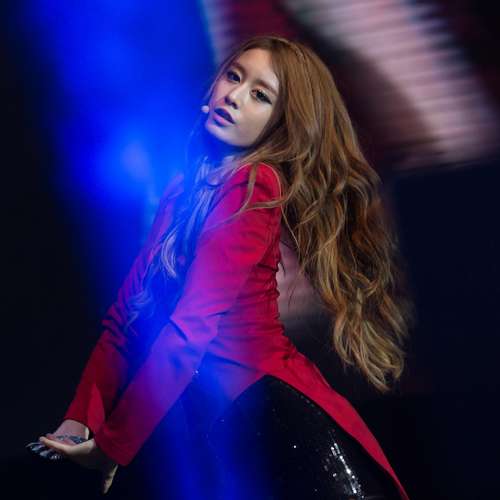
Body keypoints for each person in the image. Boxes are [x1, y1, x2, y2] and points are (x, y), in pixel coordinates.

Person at [35, 35, 413, 499]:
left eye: (260, 95)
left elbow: (189, 330)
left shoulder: (254, 186)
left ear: (280, 124)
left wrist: (114, 443)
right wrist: (79, 420)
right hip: (222, 431)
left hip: (278, 427)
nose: (235, 96)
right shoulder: (182, 192)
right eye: (233, 77)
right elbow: (125, 321)